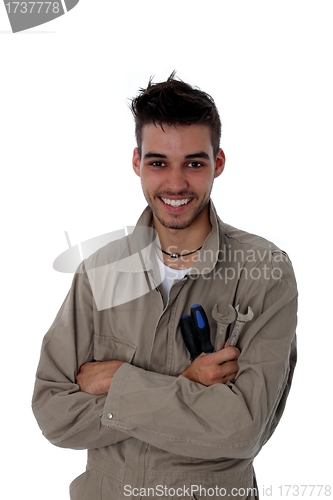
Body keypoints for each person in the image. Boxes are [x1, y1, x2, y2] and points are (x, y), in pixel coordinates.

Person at [32, 73, 297, 500]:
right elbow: (53, 413)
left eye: (194, 163)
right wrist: (189, 389)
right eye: (159, 163)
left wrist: (117, 379)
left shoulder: (264, 271)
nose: (175, 184)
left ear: (219, 162)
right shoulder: (101, 271)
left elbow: (241, 430)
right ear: (136, 162)